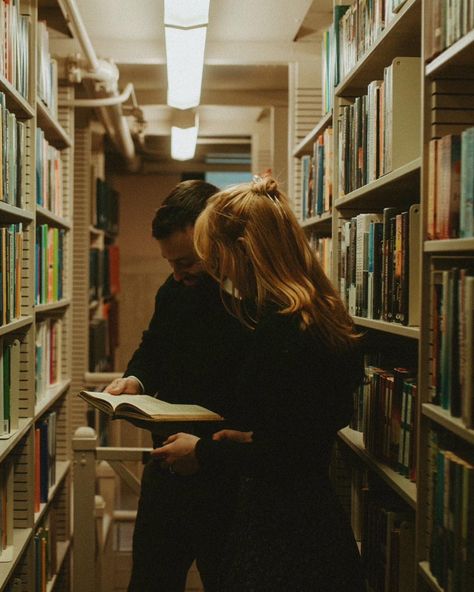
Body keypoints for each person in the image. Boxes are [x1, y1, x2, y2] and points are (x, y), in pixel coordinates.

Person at [153, 176, 367, 591]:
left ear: (244, 251)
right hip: (313, 520)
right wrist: (249, 437)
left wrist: (204, 452)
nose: (216, 269)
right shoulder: (316, 312)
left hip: (284, 531)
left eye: (215, 254)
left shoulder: (282, 327)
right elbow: (305, 425)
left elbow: (288, 454)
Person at [104, 180, 250, 592]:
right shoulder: (174, 289)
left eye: (187, 261)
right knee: (150, 581)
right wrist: (135, 379)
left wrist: (209, 451)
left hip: (225, 479)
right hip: (167, 469)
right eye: (170, 263)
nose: (178, 273)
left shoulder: (252, 303)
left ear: (217, 241)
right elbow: (153, 346)